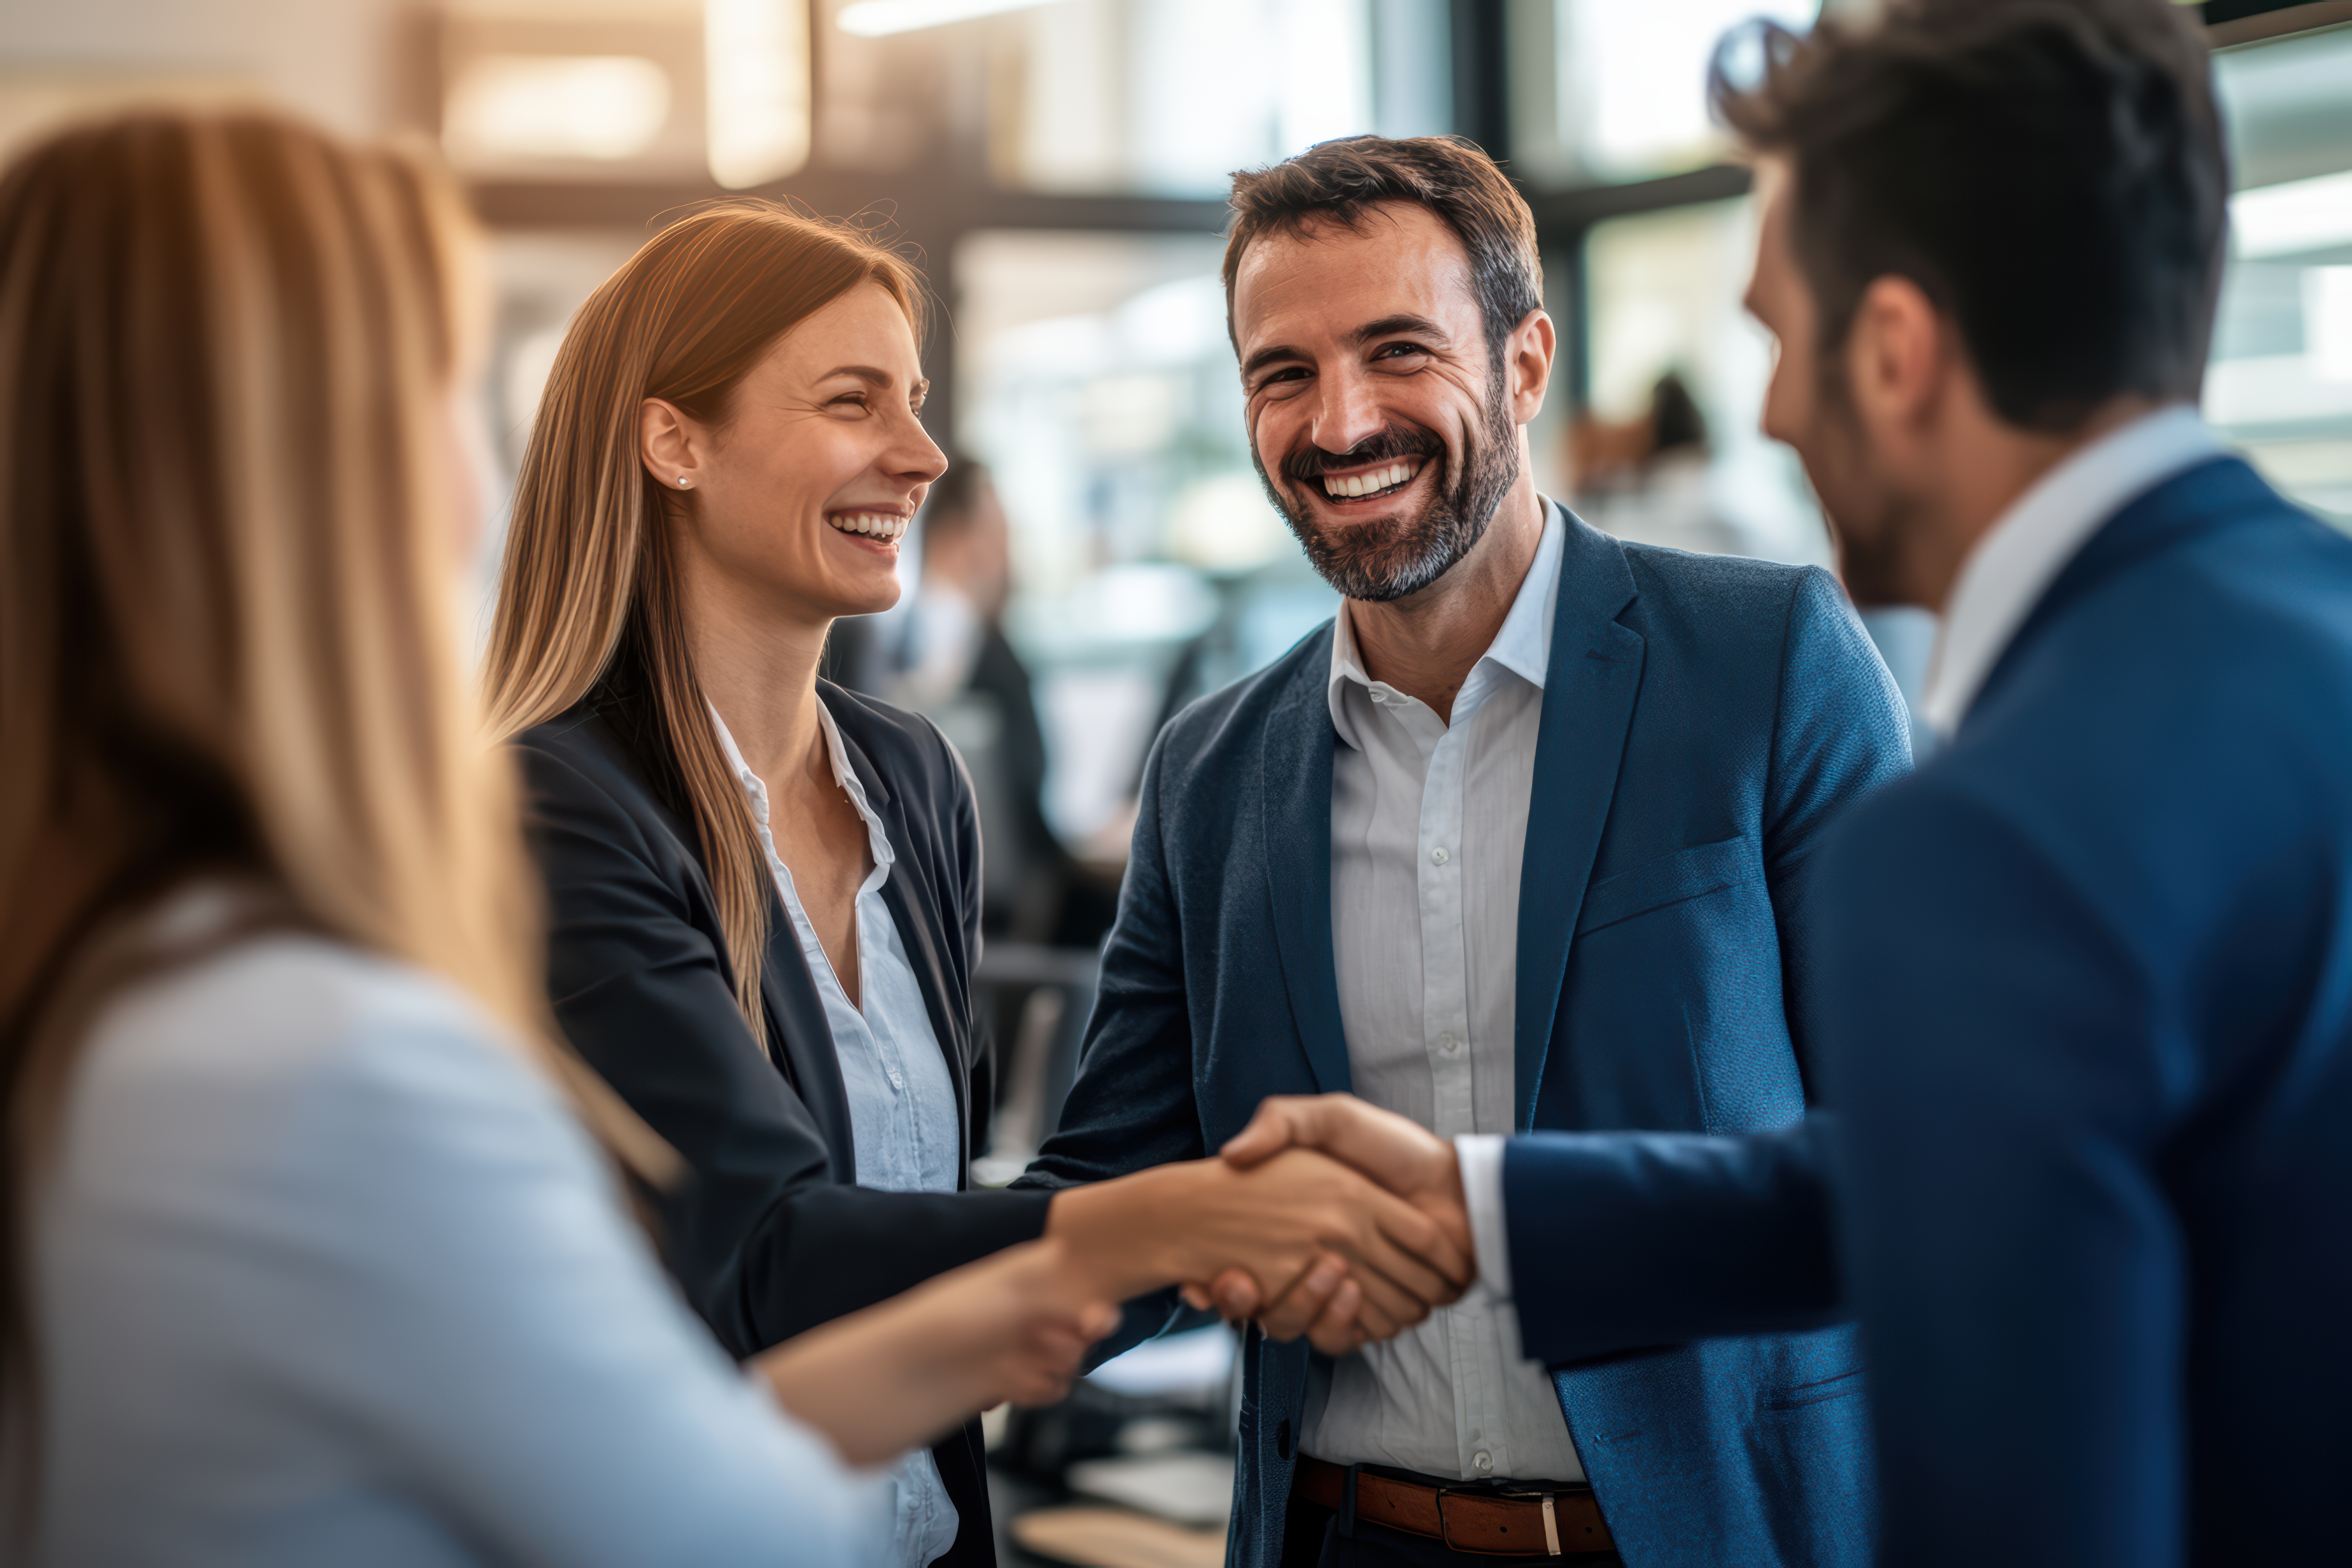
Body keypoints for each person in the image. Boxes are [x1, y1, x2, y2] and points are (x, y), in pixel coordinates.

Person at [1222, 2, 2352, 1563]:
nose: (1766, 414)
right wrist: (1479, 1210)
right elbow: (1940, 1175)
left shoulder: (2001, 821)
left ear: (1892, 350)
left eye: (1777, 334)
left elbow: (2037, 1474)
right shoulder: (2311, 636)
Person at [0, 108, 1120, 1568]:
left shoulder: (130, 988)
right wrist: (1168, 1236)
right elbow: (716, 1485)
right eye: (437, 395)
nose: (478, 478)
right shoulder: (329, 1044)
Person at [484, 203, 1473, 1568]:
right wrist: (1180, 1223)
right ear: (675, 441)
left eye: (918, 402)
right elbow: (771, 1263)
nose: (924, 455)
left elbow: (927, 1224)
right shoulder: (558, 806)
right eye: (854, 402)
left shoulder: (908, 780)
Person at [1019, 135, 1912, 1568]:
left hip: (1714, 1534)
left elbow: (1925, 1165)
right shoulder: (1209, 772)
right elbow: (1110, 1204)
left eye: (1396, 350)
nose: (1341, 421)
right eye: (1283, 374)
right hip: (1346, 1536)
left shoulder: (1771, 665)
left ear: (1524, 363)